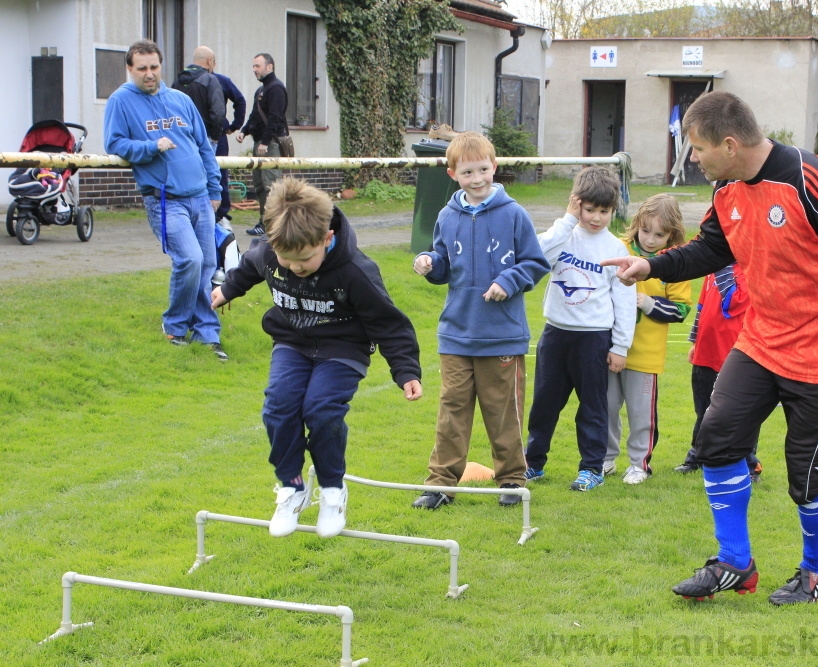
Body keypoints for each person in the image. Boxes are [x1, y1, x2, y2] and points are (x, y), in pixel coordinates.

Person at [603, 91, 818, 605]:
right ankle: (736, 563)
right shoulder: (728, 189)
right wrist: (651, 266)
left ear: (730, 144)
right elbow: (712, 249)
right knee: (716, 439)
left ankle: (815, 574)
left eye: (696, 149)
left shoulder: (811, 178)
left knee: (807, 476)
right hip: (759, 342)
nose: (693, 158)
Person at [211, 177, 423, 538]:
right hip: (292, 342)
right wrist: (228, 289)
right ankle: (292, 488)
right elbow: (249, 267)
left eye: (305, 259)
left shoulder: (354, 271)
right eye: (286, 259)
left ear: (327, 238)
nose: (295, 268)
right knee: (278, 406)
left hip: (343, 348)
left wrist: (406, 371)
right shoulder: (268, 253)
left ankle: (332, 490)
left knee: (321, 409)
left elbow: (389, 323)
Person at [410, 132, 550, 510]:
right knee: (451, 411)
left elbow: (536, 264)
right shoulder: (446, 216)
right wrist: (429, 263)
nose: (477, 178)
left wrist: (508, 281)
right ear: (453, 173)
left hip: (501, 336)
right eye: (468, 172)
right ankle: (440, 485)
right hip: (456, 334)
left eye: (483, 170)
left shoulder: (514, 214)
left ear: (495, 167)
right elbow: (443, 264)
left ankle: (511, 481)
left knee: (502, 412)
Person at [104, 39, 226, 360]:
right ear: (130, 69)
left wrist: (214, 191)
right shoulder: (121, 101)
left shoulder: (180, 100)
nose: (149, 74)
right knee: (190, 259)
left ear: (162, 66)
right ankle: (174, 326)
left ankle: (207, 334)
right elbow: (114, 142)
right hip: (164, 199)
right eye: (142, 68)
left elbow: (204, 147)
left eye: (154, 67)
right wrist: (150, 147)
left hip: (200, 196)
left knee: (207, 265)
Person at [524, 167, 636, 492]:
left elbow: (625, 301)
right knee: (544, 404)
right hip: (556, 335)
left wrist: (620, 347)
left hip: (594, 340)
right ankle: (532, 463)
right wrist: (567, 220)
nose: (596, 218)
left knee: (592, 407)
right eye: (590, 209)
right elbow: (536, 255)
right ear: (576, 203)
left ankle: (591, 468)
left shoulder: (616, 249)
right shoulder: (564, 235)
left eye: (604, 211)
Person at [603, 194, 692, 485]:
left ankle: (639, 465)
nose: (651, 239)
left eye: (660, 234)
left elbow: (681, 310)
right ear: (636, 225)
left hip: (645, 356)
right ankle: (605, 459)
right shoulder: (620, 249)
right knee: (606, 406)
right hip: (609, 350)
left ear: (673, 234)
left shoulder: (676, 265)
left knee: (642, 415)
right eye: (645, 231)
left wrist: (646, 302)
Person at [674, 262, 763, 482]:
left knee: (742, 415)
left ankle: (749, 464)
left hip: (737, 357)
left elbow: (732, 301)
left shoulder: (752, 270)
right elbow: (702, 307)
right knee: (703, 412)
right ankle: (697, 457)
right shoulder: (714, 268)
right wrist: (695, 341)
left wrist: (721, 265)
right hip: (706, 352)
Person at [237, 53, 288, 237]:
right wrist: (244, 130)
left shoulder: (276, 89)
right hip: (260, 144)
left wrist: (265, 142)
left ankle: (274, 225)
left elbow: (275, 118)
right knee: (259, 185)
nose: (254, 70)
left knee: (271, 185)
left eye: (257, 66)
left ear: (269, 67)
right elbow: (254, 116)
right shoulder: (261, 91)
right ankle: (264, 222)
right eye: (253, 66)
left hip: (270, 144)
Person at [205, 54, 246, 223]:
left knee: (219, 171)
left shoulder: (221, 81)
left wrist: (234, 126)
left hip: (216, 135)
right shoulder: (190, 82)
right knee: (215, 171)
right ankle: (213, 211)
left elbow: (240, 101)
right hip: (204, 135)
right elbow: (240, 101)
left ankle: (220, 212)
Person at [171, 46, 226, 147]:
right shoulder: (210, 80)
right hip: (205, 138)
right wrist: (215, 137)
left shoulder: (177, 81)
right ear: (209, 61)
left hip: (182, 138)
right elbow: (218, 112)